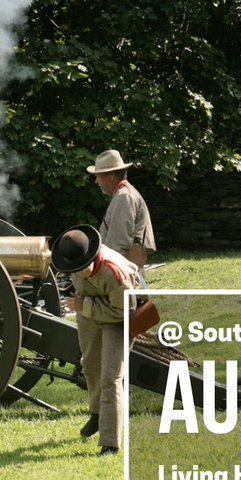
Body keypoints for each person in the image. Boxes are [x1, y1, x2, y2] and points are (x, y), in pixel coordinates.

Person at [52, 225, 137, 454]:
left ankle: (110, 442)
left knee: (111, 377)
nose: (80, 273)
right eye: (75, 270)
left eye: (84, 268)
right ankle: (97, 415)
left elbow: (125, 312)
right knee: (89, 366)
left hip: (119, 319)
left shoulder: (114, 271)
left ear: (93, 256)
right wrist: (83, 306)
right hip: (88, 313)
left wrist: (84, 305)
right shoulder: (72, 259)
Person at [88, 149, 156, 269]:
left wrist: (107, 271)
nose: (96, 181)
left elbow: (119, 244)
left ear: (111, 176)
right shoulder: (124, 194)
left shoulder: (124, 197)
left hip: (121, 271)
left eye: (98, 176)